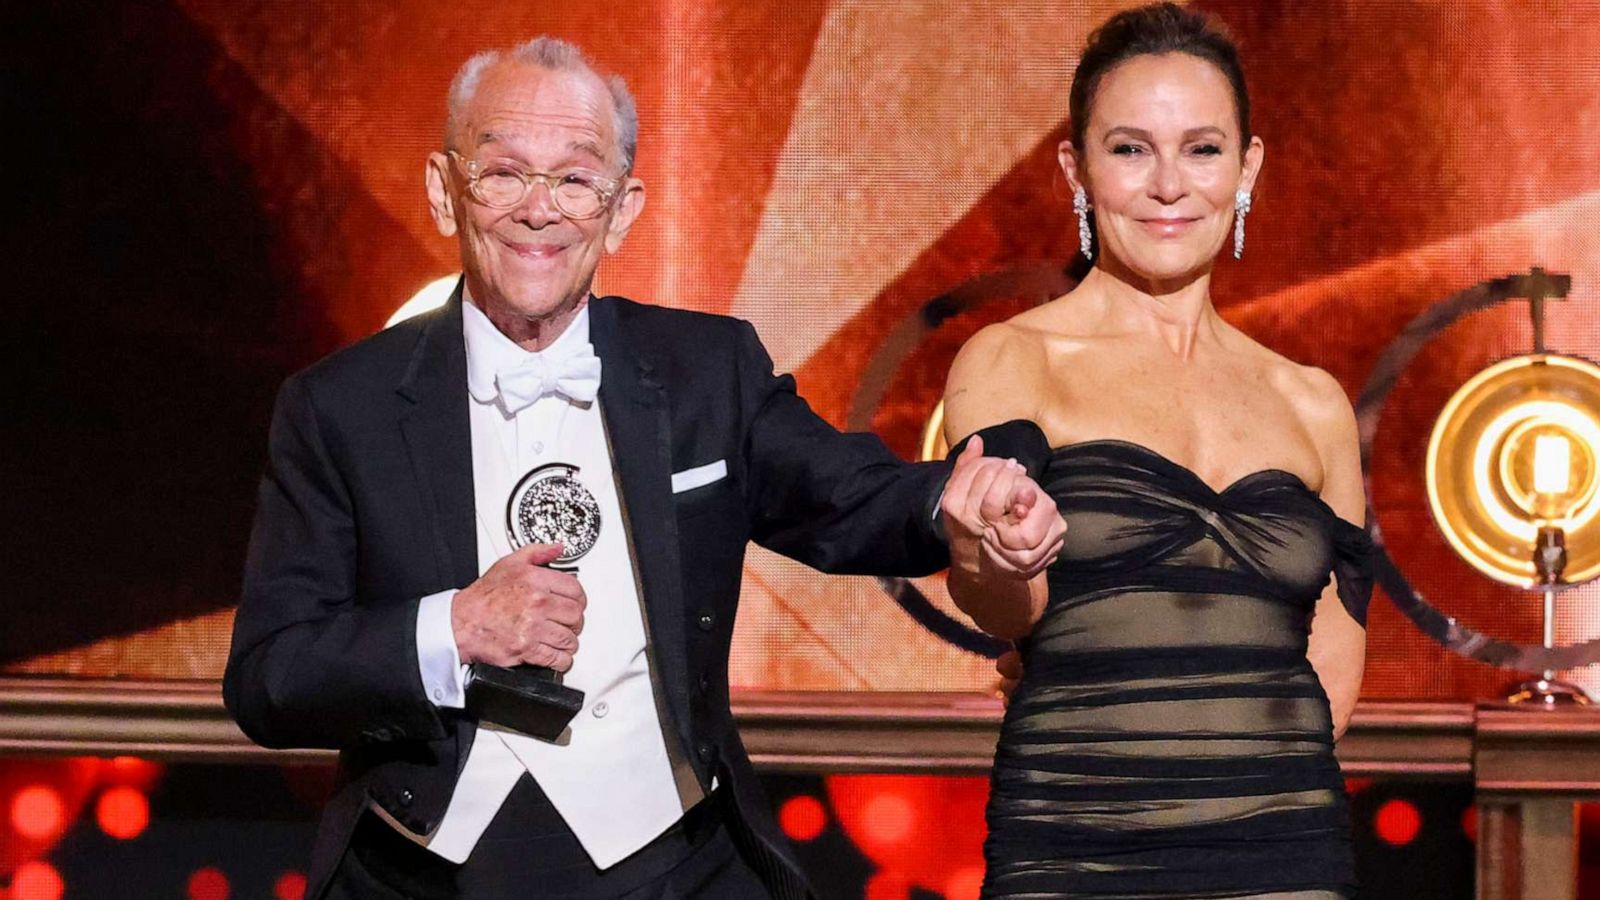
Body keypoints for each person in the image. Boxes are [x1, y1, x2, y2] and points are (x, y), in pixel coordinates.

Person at [222, 36, 1066, 900]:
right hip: (426, 869)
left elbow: (852, 500)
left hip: (677, 864)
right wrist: (454, 630)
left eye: (575, 179)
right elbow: (268, 678)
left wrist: (971, 492)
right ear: (446, 191)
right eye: (504, 172)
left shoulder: (707, 369)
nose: (538, 210)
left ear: (622, 210)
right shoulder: (339, 408)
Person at [941, 5, 1373, 898]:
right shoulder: (1014, 360)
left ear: (1248, 167)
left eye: (1203, 149)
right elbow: (997, 601)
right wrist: (997, 555)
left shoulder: (1310, 399)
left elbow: (1334, 644)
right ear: (1076, 168)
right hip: (1078, 852)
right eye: (1131, 149)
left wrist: (1235, 794)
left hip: (1283, 850)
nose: (1170, 185)